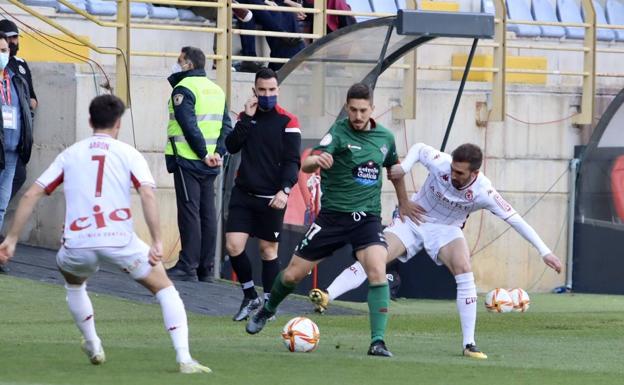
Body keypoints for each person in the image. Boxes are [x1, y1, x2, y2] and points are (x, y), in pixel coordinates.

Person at [0, 95, 210, 373]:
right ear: (119, 123)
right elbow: (147, 193)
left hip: (77, 242)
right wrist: (157, 241)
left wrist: (11, 239)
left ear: (90, 121)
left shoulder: (70, 153)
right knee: (166, 290)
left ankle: (92, 342)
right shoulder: (129, 153)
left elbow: (32, 193)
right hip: (119, 240)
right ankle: (184, 359)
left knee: (74, 285)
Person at [309, 142, 564, 359]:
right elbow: (419, 149)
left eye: (461, 173)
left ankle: (468, 344)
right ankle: (327, 295)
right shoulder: (441, 163)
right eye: (453, 169)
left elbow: (515, 219)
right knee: (376, 257)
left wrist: (545, 252)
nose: (454, 175)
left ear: (475, 173)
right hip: (415, 218)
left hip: (446, 229)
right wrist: (405, 169)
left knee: (464, 269)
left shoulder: (484, 191)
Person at [245, 83, 424, 358]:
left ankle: (378, 342)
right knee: (293, 274)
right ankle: (267, 310)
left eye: (363, 110)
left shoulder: (385, 137)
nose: (357, 115)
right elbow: (306, 164)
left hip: (367, 219)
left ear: (372, 109)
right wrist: (318, 161)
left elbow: (394, 170)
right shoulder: (338, 133)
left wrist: (403, 202)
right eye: (352, 109)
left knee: (376, 271)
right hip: (332, 218)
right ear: (347, 108)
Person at [225, 67, 301, 321]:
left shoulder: (288, 121)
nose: (267, 94)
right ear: (254, 91)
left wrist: (285, 190)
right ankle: (249, 296)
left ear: (278, 90)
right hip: (244, 194)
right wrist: (245, 118)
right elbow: (231, 145)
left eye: (272, 90)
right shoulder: (247, 117)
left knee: (268, 252)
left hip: (272, 198)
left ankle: (269, 304)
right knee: (233, 246)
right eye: (262, 90)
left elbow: (292, 161)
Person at [165, 46, 232, 282]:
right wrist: (217, 154)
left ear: (189, 65)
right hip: (210, 162)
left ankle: (187, 266)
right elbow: (226, 127)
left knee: (189, 212)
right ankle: (206, 267)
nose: (176, 64)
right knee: (206, 213)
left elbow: (188, 124)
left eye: (179, 60)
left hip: (188, 159)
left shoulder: (183, 89)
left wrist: (204, 153)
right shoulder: (216, 90)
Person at [0, 32, 32, 273]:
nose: (4, 55)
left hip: (12, 153)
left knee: (1, 206)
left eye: (5, 51)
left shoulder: (15, 79)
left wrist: (24, 143)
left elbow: (24, 111)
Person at [0, 19, 38, 202]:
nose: (14, 42)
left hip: (15, 137)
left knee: (18, 176)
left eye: (16, 37)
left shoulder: (21, 65)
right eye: (10, 38)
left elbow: (31, 98)